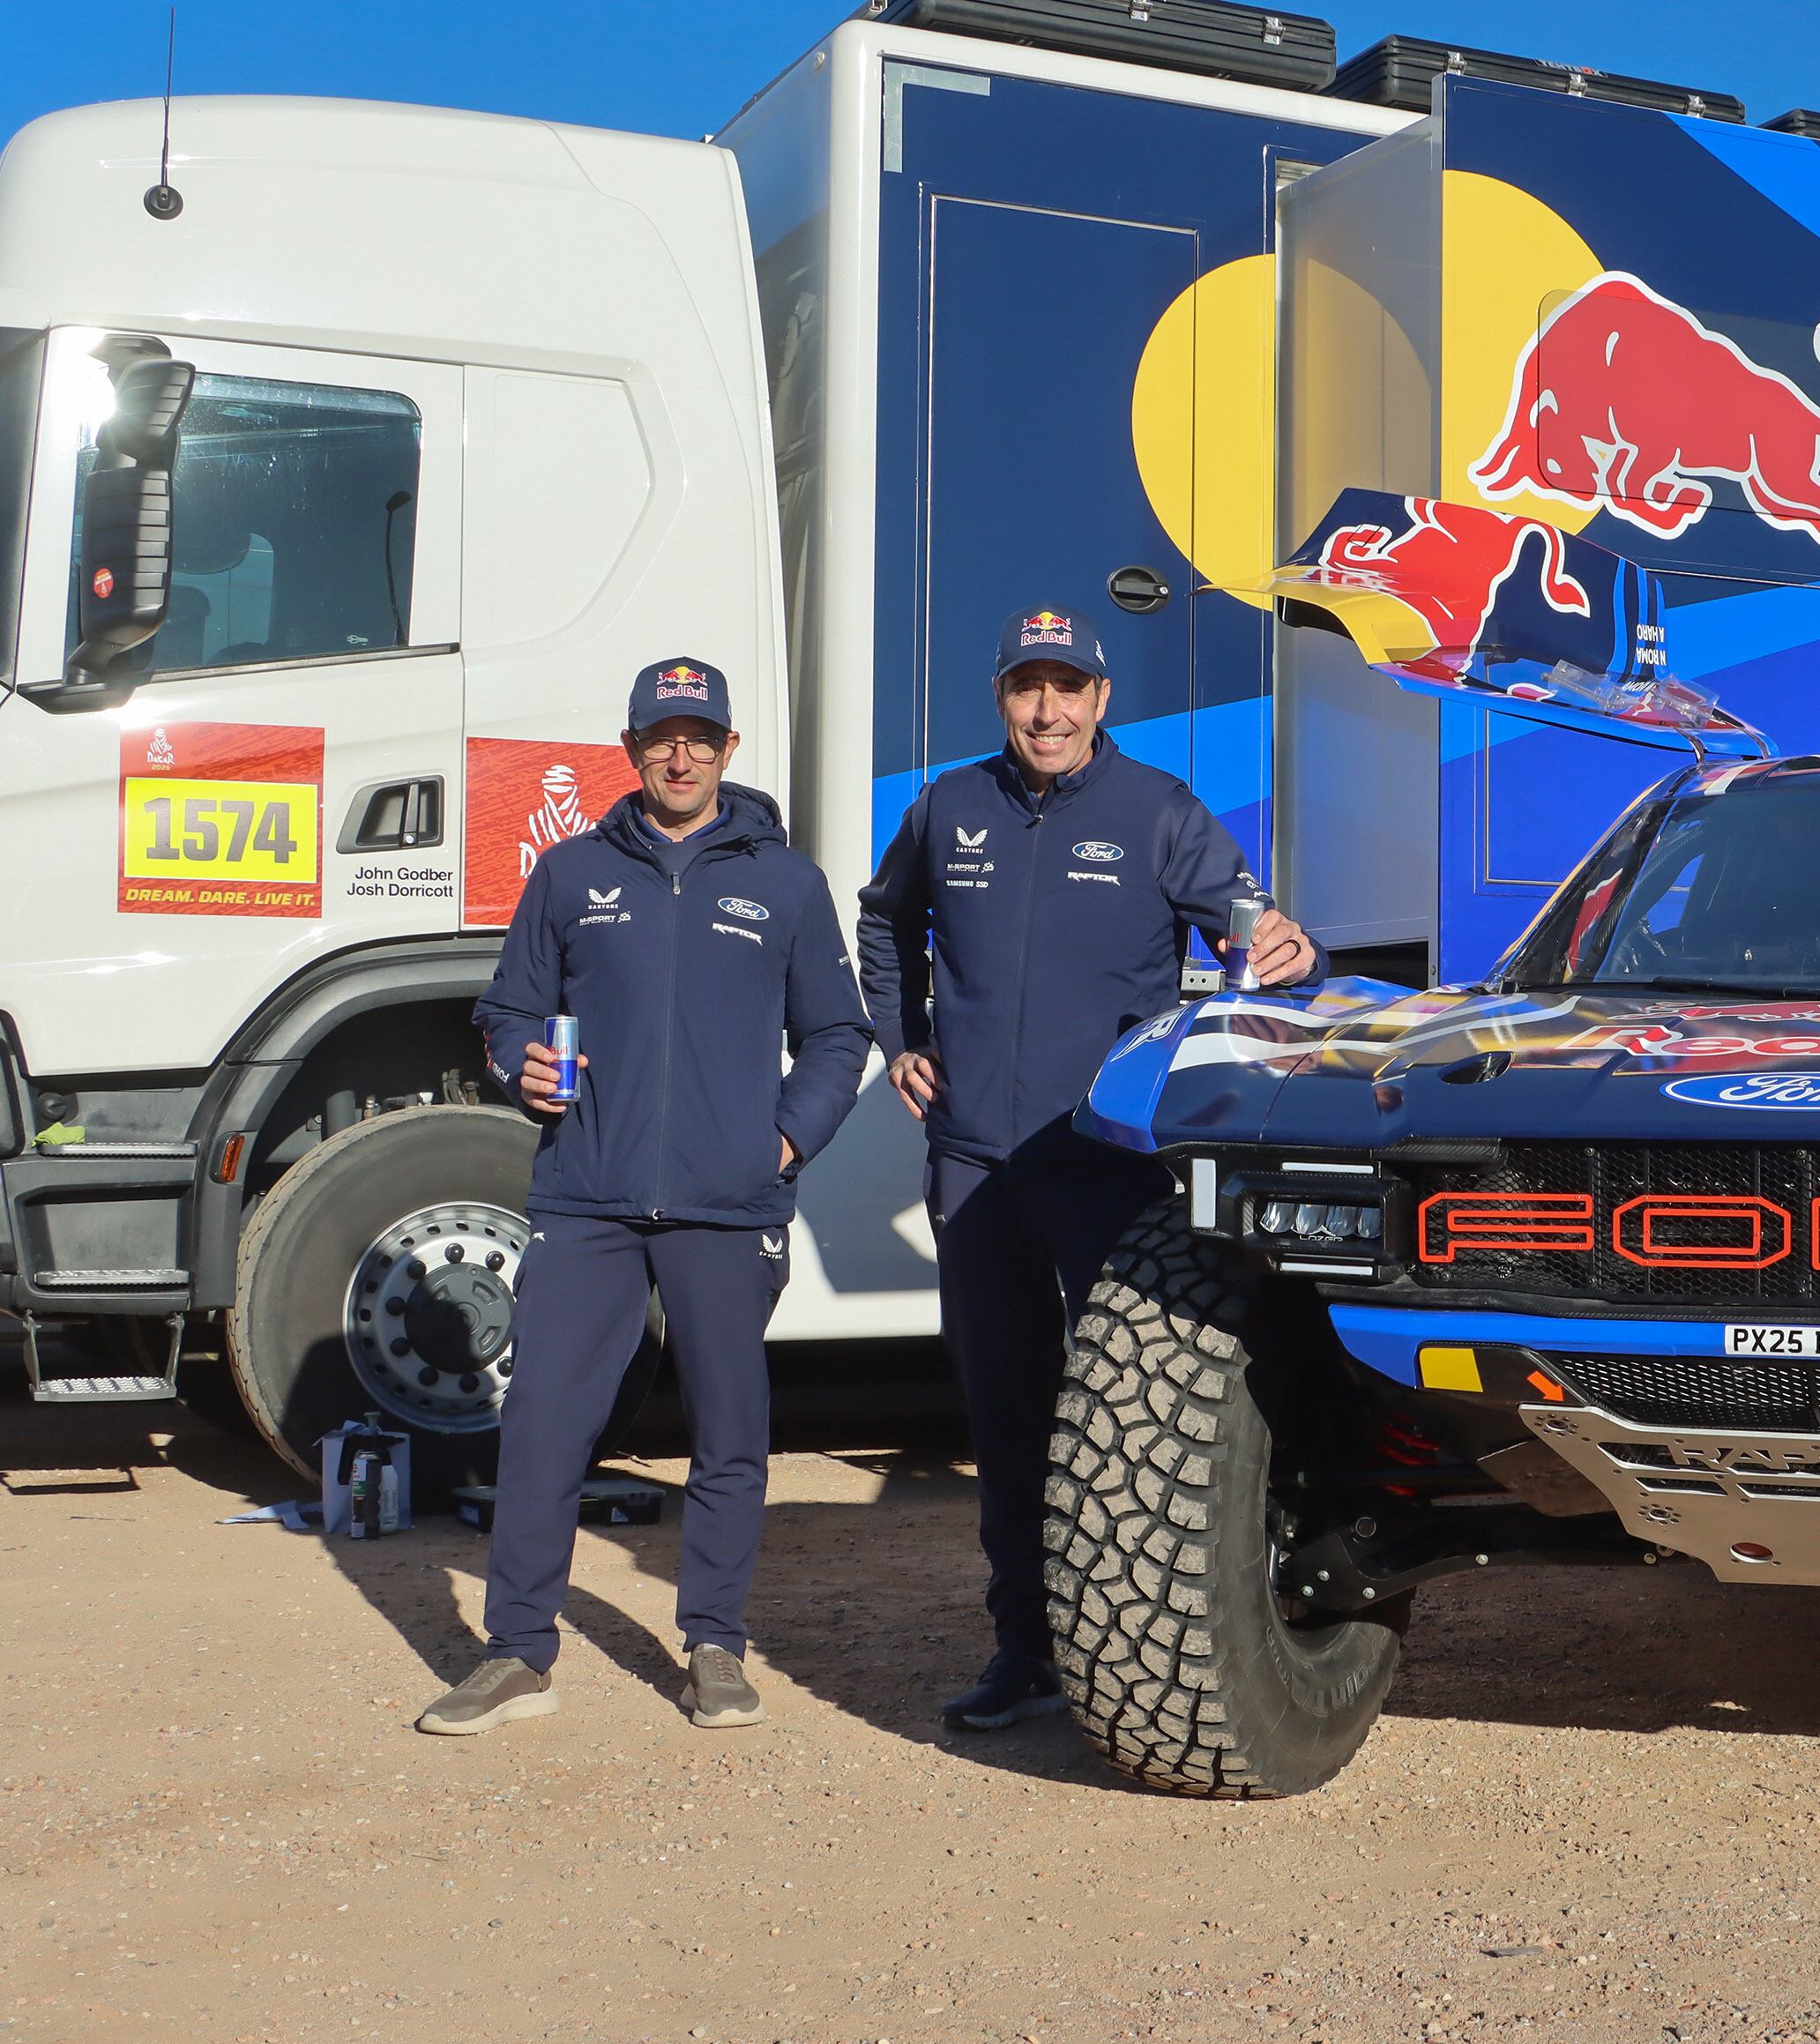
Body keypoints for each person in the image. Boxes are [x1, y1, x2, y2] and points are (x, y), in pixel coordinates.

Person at [858, 603, 1317, 1729]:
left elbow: (1255, 939)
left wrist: (1290, 954)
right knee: (1005, 1407)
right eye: (1028, 687)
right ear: (1003, 698)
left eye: (1068, 688)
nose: (1048, 709)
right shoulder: (945, 807)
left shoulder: (1158, 811)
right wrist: (900, 1038)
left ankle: (1134, 1644)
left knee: (1126, 1411)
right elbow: (883, 928)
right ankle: (1026, 1647)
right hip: (972, 1167)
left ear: (1102, 701)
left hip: (1102, 1166)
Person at [417, 659, 871, 1737]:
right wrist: (521, 1061)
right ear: (631, 750)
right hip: (589, 1195)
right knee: (539, 1426)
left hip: (729, 1201)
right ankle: (518, 1652)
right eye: (663, 737)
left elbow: (839, 1034)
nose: (682, 755)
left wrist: (787, 1138)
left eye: (700, 737)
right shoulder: (573, 875)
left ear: (728, 752)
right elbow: (507, 1012)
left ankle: (714, 1644)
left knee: (728, 1430)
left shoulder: (785, 882)